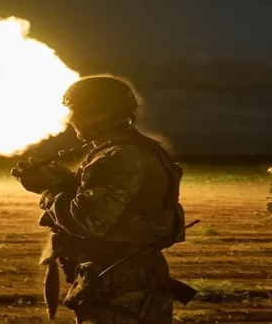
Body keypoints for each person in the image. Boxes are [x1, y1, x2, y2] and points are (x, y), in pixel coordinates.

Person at [12, 76, 194, 323]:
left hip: (119, 284)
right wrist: (65, 182)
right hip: (128, 276)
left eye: (74, 110)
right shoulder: (131, 149)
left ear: (95, 113)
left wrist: (48, 190)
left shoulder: (119, 156)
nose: (70, 119)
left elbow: (88, 221)